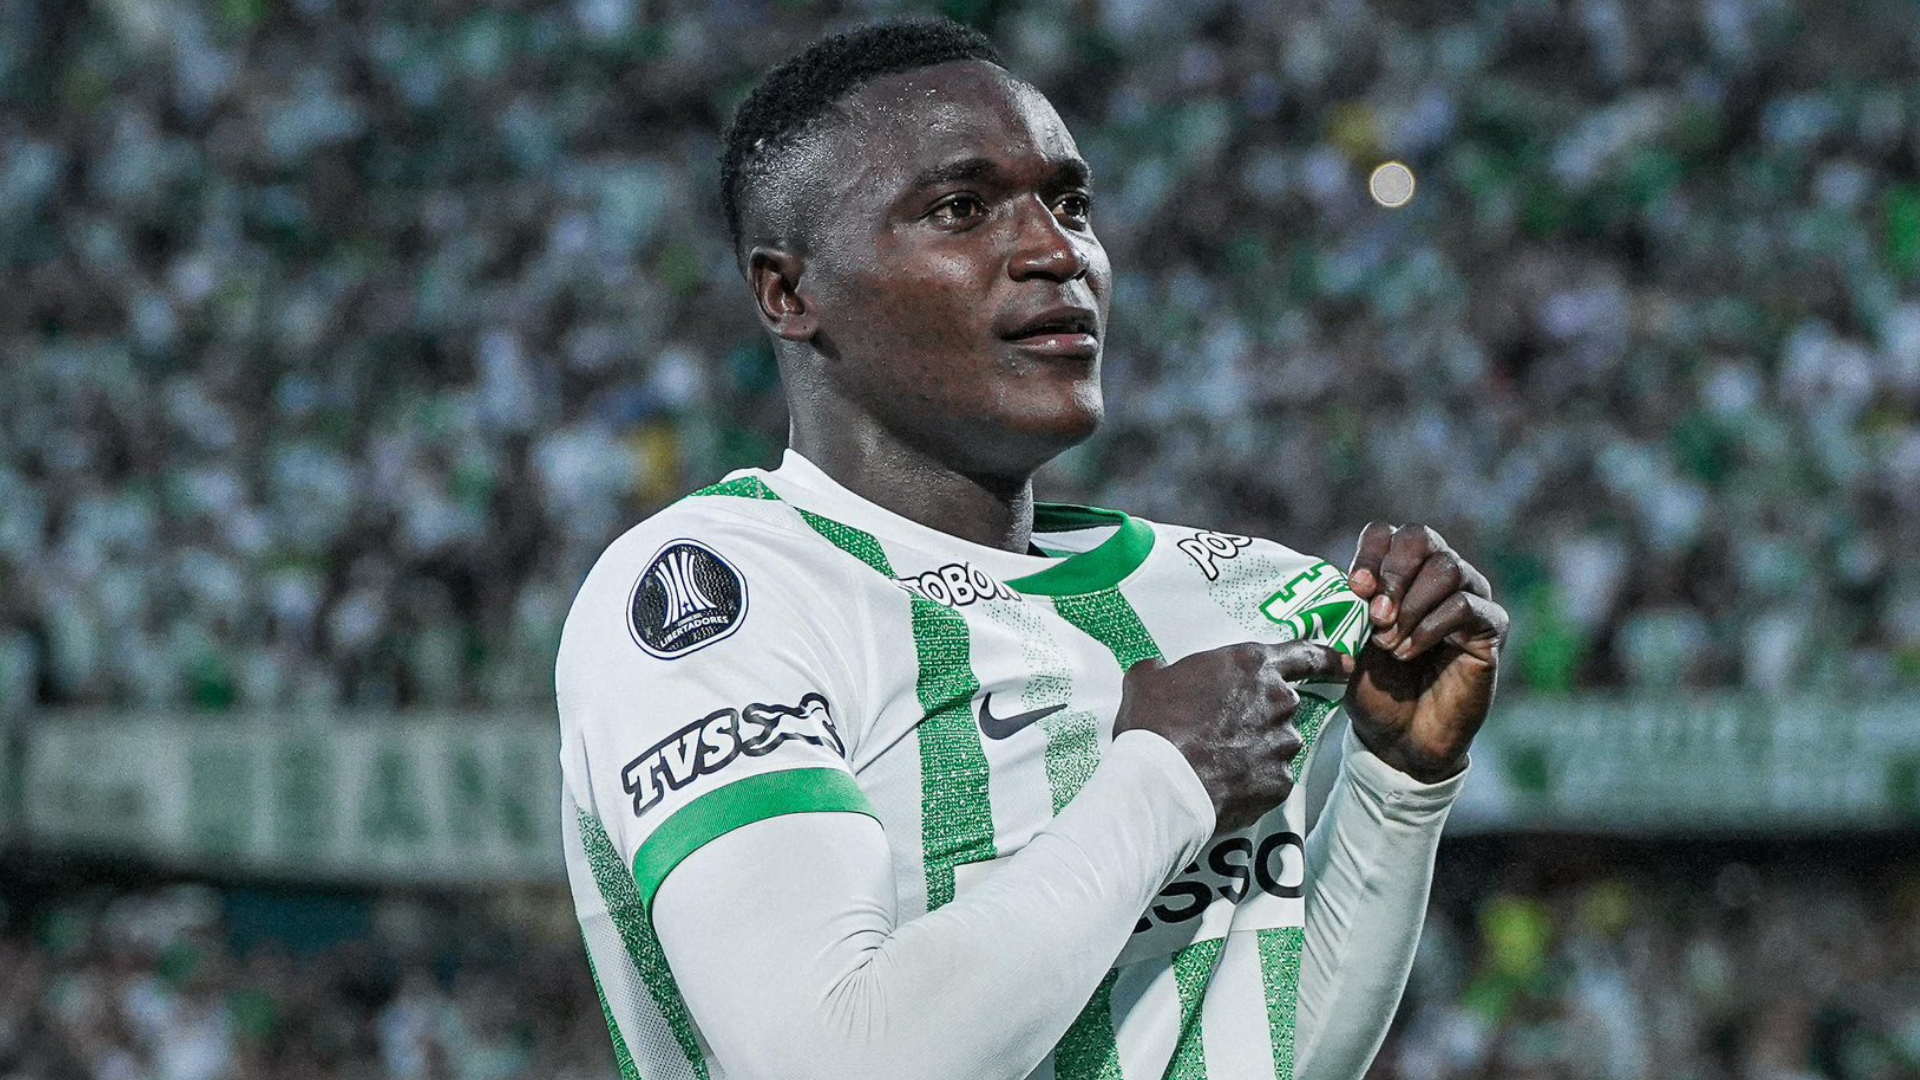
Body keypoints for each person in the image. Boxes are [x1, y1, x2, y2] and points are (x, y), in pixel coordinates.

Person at [556, 17, 1507, 1080]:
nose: (1059, 253)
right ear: (789, 292)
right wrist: (1162, 778)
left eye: (1070, 202)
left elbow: (1260, 1051)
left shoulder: (1231, 596)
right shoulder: (721, 591)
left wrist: (1396, 783)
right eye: (962, 209)